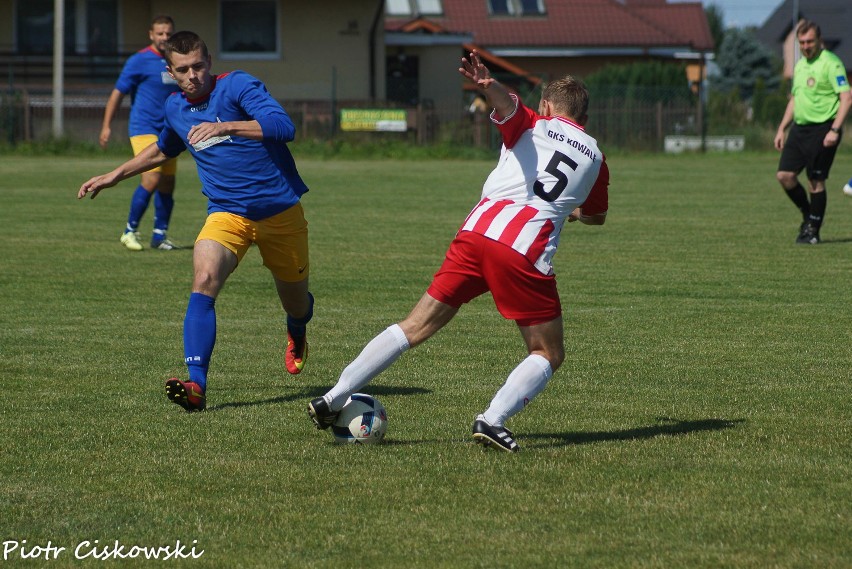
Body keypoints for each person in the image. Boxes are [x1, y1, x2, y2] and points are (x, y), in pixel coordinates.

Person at [307, 50, 609, 452]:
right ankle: (493, 419)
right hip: (521, 250)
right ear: (583, 119)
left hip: (474, 234)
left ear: (548, 107)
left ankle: (334, 395)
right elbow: (596, 216)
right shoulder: (596, 158)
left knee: (414, 326)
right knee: (547, 352)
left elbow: (509, 105)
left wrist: (490, 86)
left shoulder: (534, 123)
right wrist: (573, 214)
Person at [79, 31, 314, 411]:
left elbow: (284, 127)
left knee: (296, 302)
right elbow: (163, 148)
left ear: (210, 62)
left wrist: (226, 126)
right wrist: (114, 175)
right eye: (183, 69)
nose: (193, 76)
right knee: (203, 281)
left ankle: (298, 328)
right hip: (227, 214)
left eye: (199, 66)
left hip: (281, 215)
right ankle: (197, 386)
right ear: (171, 72)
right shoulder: (174, 107)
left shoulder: (237, 85)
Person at [99, 15, 181, 251]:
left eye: (168, 33)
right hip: (144, 127)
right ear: (151, 35)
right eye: (160, 33)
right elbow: (117, 93)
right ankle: (129, 231)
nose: (165, 37)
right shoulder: (139, 61)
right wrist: (106, 125)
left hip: (171, 131)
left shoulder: (176, 60)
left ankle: (159, 235)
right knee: (151, 177)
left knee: (167, 182)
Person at [774, 19, 851, 245]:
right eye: (802, 42)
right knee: (784, 176)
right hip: (800, 129)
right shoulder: (799, 66)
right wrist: (781, 129)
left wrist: (835, 130)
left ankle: (813, 231)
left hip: (824, 128)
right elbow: (795, 100)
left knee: (814, 181)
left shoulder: (831, 63)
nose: (806, 46)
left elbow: (846, 97)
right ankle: (810, 215)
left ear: (819, 40)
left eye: (810, 41)